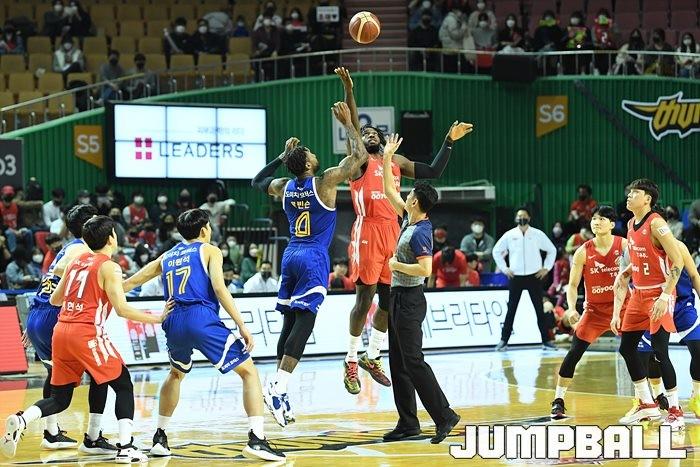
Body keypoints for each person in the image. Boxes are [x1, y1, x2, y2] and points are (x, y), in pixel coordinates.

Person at [336, 67, 473, 395]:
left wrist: (448, 141)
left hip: (393, 232)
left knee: (388, 300)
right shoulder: (358, 162)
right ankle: (351, 360)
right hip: (367, 232)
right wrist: (349, 92)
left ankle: (372, 355)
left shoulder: (395, 162)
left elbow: (433, 171)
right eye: (364, 132)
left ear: (383, 138)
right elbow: (353, 128)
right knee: (364, 299)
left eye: (373, 132)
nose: (369, 134)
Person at [1, 216, 170, 462]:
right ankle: (126, 448)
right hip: (87, 333)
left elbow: (55, 300)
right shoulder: (110, 266)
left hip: (61, 332)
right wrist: (158, 318)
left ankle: (22, 420)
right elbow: (122, 309)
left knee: (59, 399)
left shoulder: (75, 262)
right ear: (111, 238)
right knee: (123, 384)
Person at [123, 209, 285, 461]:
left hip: (173, 319)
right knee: (249, 372)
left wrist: (106, 286)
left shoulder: (168, 256)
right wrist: (241, 325)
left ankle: (160, 437)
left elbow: (132, 282)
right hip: (200, 317)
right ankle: (257, 439)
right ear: (203, 230)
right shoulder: (210, 250)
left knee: (175, 373)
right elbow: (220, 289)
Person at [250, 102, 368, 426]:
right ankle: (278, 386)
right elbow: (359, 157)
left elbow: (257, 182)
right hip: (313, 256)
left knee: (289, 323)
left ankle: (280, 389)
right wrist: (348, 124)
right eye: (312, 154)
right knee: (304, 323)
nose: (316, 155)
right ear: (307, 163)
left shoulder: (284, 187)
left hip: (290, 255)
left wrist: (280, 157)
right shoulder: (325, 182)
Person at [379, 133, 461, 444]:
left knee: (413, 361)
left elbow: (426, 270)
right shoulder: (408, 219)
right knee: (398, 362)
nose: (406, 193)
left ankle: (445, 415)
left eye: (410, 192)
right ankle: (408, 423)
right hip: (397, 297)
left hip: (410, 299)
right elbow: (389, 190)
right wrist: (388, 157)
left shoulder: (420, 232)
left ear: (415, 201)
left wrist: (396, 266)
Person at [23, 205, 116, 453]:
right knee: (100, 372)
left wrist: (34, 319)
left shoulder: (69, 247)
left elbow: (50, 279)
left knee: (54, 375)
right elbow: (62, 272)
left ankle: (51, 432)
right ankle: (93, 436)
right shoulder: (82, 250)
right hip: (58, 314)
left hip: (40, 312)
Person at [611, 179, 684, 427]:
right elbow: (642, 258)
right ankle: (647, 405)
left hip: (658, 294)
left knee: (660, 352)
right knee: (627, 348)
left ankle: (675, 410)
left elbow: (677, 261)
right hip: (638, 294)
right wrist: (627, 271)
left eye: (635, 193)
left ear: (647, 199)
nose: (629, 196)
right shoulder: (631, 224)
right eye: (629, 192)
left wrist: (665, 296)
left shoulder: (657, 223)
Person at [550, 206, 626, 419]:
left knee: (641, 351)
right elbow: (573, 285)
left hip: (623, 308)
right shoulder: (583, 251)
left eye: (602, 219)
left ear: (612, 224)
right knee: (574, 352)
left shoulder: (624, 245)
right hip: (594, 311)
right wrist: (571, 308)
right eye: (594, 219)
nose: (596, 222)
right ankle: (558, 400)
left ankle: (654, 397)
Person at [633, 239, 700, 420]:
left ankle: (697, 396)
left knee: (698, 349)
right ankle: (651, 398)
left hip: (681, 305)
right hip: (654, 306)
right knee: (647, 354)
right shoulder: (640, 247)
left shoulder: (679, 247)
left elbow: (694, 275)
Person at [493, 207, 557, 351]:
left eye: (524, 215)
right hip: (515, 277)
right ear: (516, 218)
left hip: (534, 276)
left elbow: (552, 250)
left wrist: (546, 268)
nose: (522, 218)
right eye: (519, 216)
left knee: (539, 309)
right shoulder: (510, 235)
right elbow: (496, 251)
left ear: (529, 218)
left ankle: (546, 341)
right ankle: (504, 341)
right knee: (511, 309)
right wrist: (504, 268)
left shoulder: (537, 234)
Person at [1, 185, 34, 252]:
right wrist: (14, 231)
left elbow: (20, 220)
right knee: (10, 234)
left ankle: (30, 252)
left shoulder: (16, 206)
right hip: (5, 230)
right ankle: (13, 253)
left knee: (28, 232)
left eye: (10, 199)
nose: (8, 202)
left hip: (17, 229)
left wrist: (20, 229)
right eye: (6, 199)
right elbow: (1, 225)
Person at [439, 4, 469, 73]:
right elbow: (455, 35)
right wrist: (463, 28)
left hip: (450, 49)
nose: (461, 13)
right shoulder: (451, 20)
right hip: (452, 50)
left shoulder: (451, 19)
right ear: (454, 10)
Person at [591, 8, 616, 75]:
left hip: (610, 48)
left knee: (611, 51)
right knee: (596, 50)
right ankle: (596, 69)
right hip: (599, 48)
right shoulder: (594, 28)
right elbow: (594, 41)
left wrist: (611, 28)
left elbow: (616, 40)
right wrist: (599, 45)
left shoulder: (613, 27)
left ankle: (610, 70)